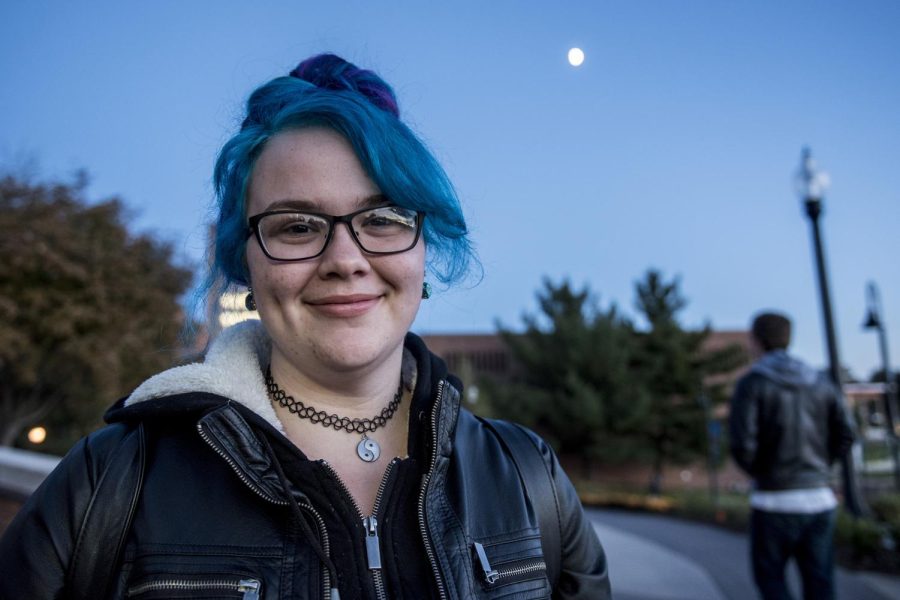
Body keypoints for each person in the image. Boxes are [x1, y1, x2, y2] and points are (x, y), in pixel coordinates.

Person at [0, 53, 610, 599]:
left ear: (423, 249)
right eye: (296, 226)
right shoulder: (108, 484)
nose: (346, 260)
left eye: (384, 217)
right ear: (247, 262)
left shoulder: (530, 479)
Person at [730, 311, 855, 600]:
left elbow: (742, 445)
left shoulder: (751, 384)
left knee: (771, 581)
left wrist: (765, 474)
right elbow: (847, 434)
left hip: (773, 501)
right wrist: (821, 468)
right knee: (821, 584)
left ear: (756, 340)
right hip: (819, 499)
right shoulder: (822, 382)